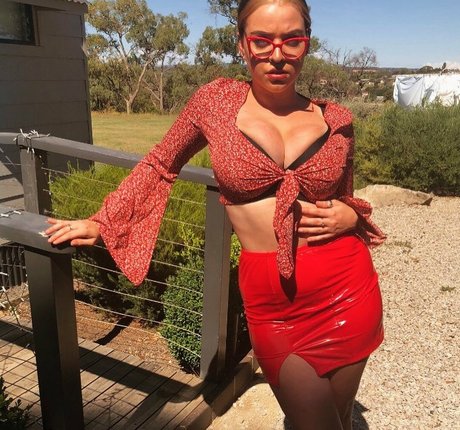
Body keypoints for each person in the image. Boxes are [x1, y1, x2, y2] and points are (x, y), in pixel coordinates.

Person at [46, 0, 386, 428]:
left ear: (306, 43)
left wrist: (351, 216)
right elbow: (161, 162)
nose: (277, 55)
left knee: (339, 418)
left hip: (347, 287)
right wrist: (104, 220)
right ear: (242, 44)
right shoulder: (216, 103)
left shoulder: (336, 121)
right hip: (273, 301)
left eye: (291, 40)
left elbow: (347, 197)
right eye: (262, 41)